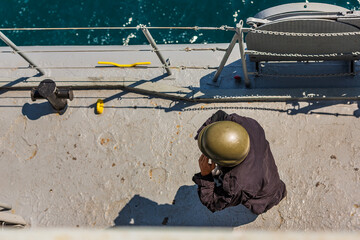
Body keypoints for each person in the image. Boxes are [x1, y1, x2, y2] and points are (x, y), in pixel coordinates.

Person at [192, 110, 286, 215]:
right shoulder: (251, 124)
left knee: (257, 204)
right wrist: (207, 133)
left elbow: (212, 202)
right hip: (270, 176)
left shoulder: (236, 186)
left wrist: (205, 175)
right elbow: (220, 115)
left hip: (265, 199)